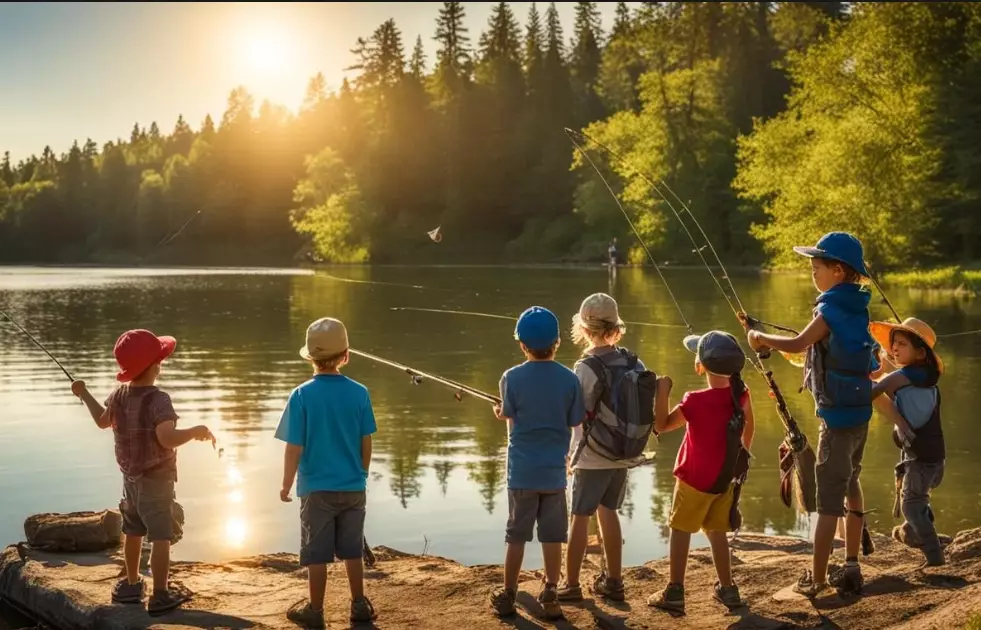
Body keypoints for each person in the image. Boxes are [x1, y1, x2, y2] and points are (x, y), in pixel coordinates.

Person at [745, 231, 881, 597]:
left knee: (827, 503)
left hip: (835, 420)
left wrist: (759, 337)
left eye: (816, 267)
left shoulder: (829, 310)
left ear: (838, 270)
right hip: (859, 412)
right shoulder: (859, 307)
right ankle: (851, 564)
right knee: (851, 482)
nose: (813, 274)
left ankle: (818, 579)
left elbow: (797, 343)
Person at [71, 329, 214, 616]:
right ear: (155, 366)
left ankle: (131, 584)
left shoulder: (119, 395)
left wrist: (83, 392)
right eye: (159, 359)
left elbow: (102, 422)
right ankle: (160, 594)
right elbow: (167, 439)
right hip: (156, 479)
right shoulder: (159, 400)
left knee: (132, 530)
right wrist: (194, 432)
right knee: (160, 535)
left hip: (130, 479)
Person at [276, 317, 378, 628]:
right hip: (353, 486)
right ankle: (358, 604)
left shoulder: (301, 395)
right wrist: (361, 474)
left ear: (310, 358)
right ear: (345, 356)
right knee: (352, 550)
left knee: (316, 554)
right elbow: (366, 441)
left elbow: (293, 448)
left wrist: (286, 484)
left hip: (315, 489)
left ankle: (316, 610)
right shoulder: (360, 393)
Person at [647, 331, 755, 613]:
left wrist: (662, 391)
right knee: (716, 531)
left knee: (680, 529)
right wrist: (736, 460)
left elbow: (661, 425)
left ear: (700, 367)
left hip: (693, 480)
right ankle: (728, 589)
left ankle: (674, 591)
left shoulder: (694, 401)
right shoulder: (742, 395)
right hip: (724, 480)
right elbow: (748, 432)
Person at [490, 306, 585, 620]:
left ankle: (508, 593)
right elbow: (575, 420)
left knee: (516, 535)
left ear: (522, 345)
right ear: (557, 342)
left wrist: (500, 412)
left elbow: (508, 413)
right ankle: (551, 592)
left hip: (521, 474)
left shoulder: (511, 377)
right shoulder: (570, 379)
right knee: (553, 536)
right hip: (554, 474)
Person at [558, 293, 650, 603]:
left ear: (583, 329)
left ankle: (571, 584)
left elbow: (576, 413)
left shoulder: (586, 366)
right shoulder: (634, 361)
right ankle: (614, 580)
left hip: (592, 456)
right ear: (616, 328)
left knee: (579, 517)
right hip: (624, 452)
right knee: (609, 511)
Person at [869, 317, 946, 567]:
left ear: (921, 353)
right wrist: (885, 366)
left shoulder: (899, 378)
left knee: (911, 505)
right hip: (934, 458)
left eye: (902, 344)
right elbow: (895, 379)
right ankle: (917, 531)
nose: (894, 348)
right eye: (894, 344)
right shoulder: (925, 377)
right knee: (917, 500)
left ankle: (934, 555)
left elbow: (871, 392)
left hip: (919, 460)